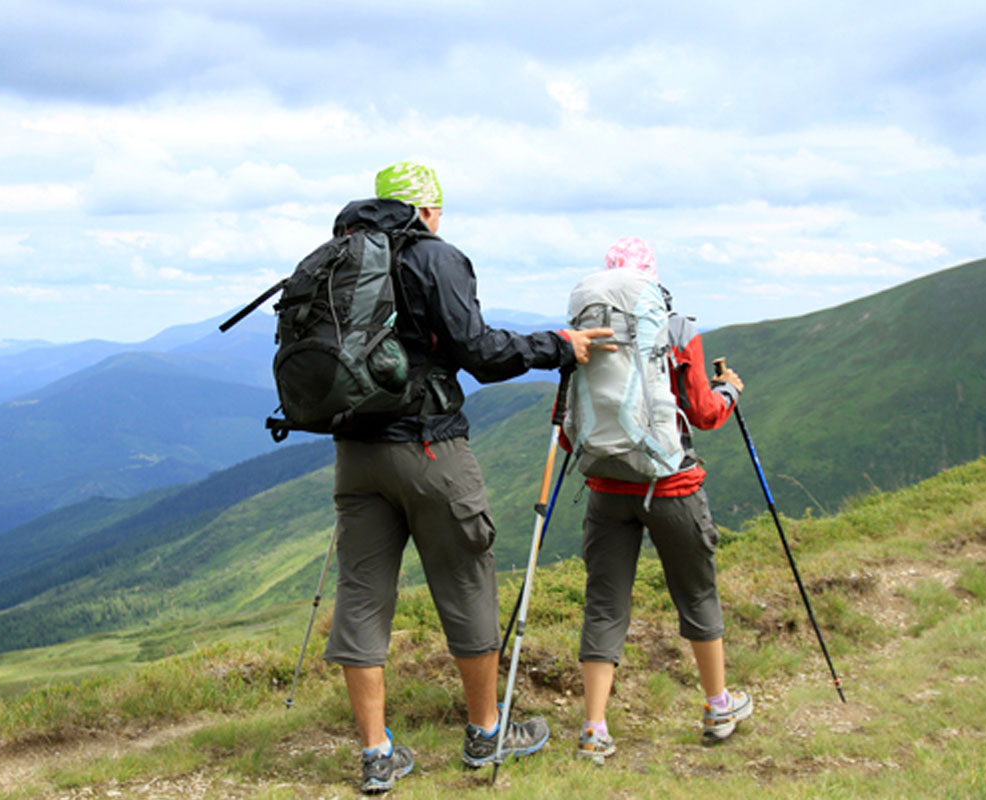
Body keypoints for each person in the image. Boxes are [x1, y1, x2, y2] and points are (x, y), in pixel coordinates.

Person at [322, 161, 615, 793]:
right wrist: (559, 346)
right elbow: (478, 351)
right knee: (465, 582)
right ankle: (486, 733)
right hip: (429, 450)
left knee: (363, 595)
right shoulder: (437, 257)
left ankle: (376, 754)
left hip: (354, 453)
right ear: (427, 209)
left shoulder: (337, 258)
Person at [566, 237, 753, 763]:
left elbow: (567, 423)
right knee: (696, 594)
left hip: (605, 488)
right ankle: (718, 707)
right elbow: (702, 411)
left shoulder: (586, 329)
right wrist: (731, 391)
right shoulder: (675, 328)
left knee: (605, 604)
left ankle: (594, 729)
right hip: (672, 485)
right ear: (650, 278)